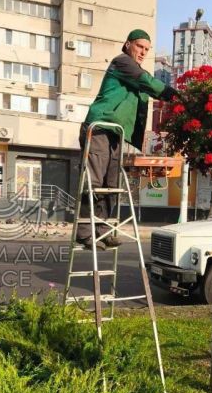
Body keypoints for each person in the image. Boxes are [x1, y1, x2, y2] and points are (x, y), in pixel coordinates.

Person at [76, 29, 178, 249]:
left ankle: (102, 231)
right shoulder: (122, 63)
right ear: (128, 44)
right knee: (93, 183)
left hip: (115, 134)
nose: (143, 52)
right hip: (99, 129)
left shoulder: (135, 70)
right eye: (140, 46)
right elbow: (149, 83)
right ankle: (84, 232)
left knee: (111, 185)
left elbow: (147, 94)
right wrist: (177, 96)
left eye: (146, 49)